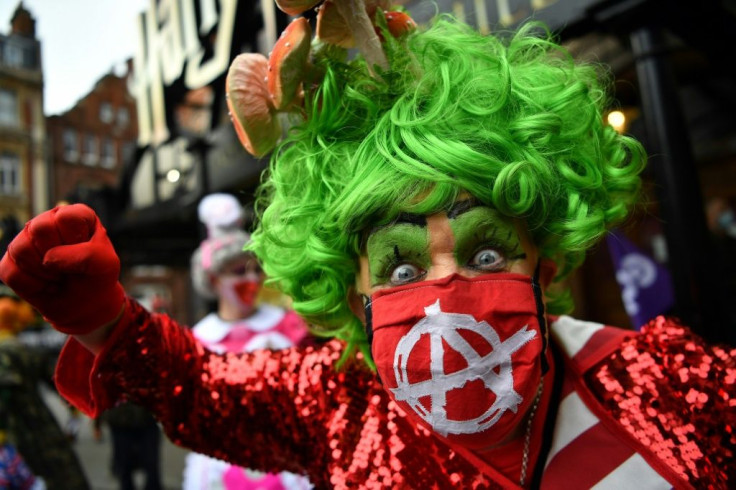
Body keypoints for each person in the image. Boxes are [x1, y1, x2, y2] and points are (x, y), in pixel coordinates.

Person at [1, 3, 735, 488]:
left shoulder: (664, 383)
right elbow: (200, 388)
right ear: (354, 287)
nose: (448, 289)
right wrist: (105, 321)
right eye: (403, 263)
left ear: (541, 258)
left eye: (484, 254)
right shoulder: (342, 405)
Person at [184, 193, 311, 490]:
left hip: (288, 468)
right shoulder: (199, 340)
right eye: (239, 271)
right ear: (214, 279)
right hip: (223, 470)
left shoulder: (288, 324)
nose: (252, 279)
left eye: (255, 269)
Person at [0, 291, 89, 489]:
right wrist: (74, 409)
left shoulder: (11, 349)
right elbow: (59, 381)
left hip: (24, 432)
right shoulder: (20, 348)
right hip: (36, 429)